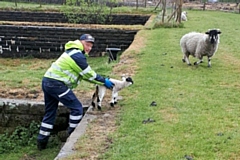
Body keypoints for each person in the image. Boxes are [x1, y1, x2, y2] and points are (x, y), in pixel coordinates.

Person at [37, 34, 114, 150]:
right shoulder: (77, 56)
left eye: (91, 46)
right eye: (87, 45)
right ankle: (72, 138)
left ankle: (41, 143)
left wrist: (101, 81)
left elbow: (84, 75)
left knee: (50, 112)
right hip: (56, 84)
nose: (89, 48)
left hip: (47, 82)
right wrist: (104, 81)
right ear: (81, 42)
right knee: (77, 108)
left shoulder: (72, 52)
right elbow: (89, 74)